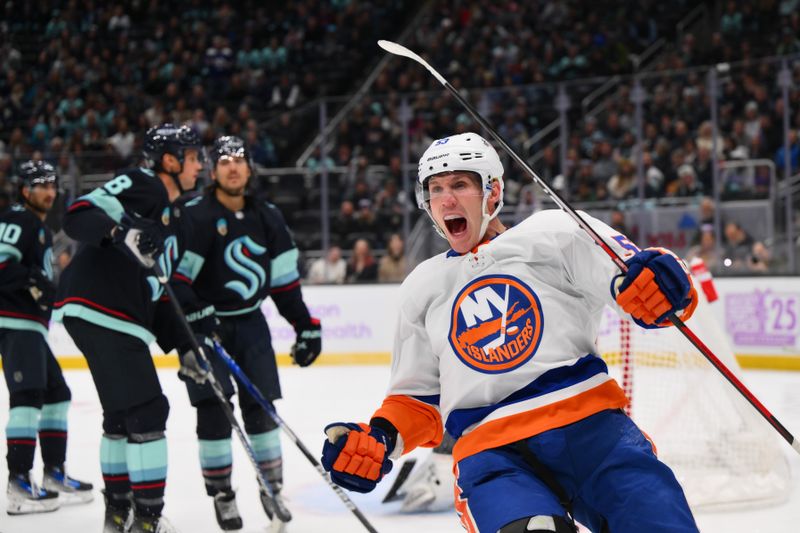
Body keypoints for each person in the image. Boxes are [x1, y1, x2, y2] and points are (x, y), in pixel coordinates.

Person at [320, 133, 700, 533]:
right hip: (493, 455)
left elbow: (635, 280)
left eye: (460, 185)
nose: (446, 200)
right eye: (436, 189)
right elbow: (416, 399)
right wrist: (379, 439)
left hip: (594, 432)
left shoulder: (554, 233)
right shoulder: (421, 286)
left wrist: (664, 284)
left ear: (493, 191)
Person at [53, 124, 206, 533]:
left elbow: (160, 294)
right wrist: (121, 231)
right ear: (170, 161)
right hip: (100, 303)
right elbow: (77, 214)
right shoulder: (144, 184)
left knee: (121, 417)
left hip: (116, 313)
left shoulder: (182, 224)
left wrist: (185, 347)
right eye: (193, 158)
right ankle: (147, 520)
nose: (200, 166)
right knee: (148, 410)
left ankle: (118, 514)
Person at [171, 135, 321, 531]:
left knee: (263, 410)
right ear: (213, 170)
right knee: (215, 414)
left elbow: (285, 283)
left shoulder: (268, 216)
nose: (233, 167)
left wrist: (305, 325)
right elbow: (177, 279)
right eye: (224, 161)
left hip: (251, 325)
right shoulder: (196, 214)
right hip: (205, 328)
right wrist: (196, 316)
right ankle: (222, 494)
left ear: (250, 168)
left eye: (239, 160)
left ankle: (271, 488)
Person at [1, 161, 93, 515]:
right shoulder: (17, 219)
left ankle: (54, 473)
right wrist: (34, 282)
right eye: (41, 185)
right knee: (27, 397)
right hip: (15, 321)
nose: (50, 191)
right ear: (25, 190)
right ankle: (19, 481)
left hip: (31, 325)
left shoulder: (36, 225)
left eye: (52, 184)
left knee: (57, 395)